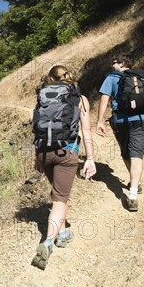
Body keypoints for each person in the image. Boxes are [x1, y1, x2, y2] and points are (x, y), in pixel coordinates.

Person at [31, 65, 97, 270]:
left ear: (50, 79)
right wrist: (90, 158)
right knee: (60, 200)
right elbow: (86, 131)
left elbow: (37, 129)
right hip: (66, 153)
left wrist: (37, 159)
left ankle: (61, 234)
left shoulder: (42, 98)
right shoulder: (80, 99)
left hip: (44, 152)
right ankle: (48, 242)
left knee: (59, 194)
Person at [96, 55, 144, 212]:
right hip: (142, 120)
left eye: (114, 62)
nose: (112, 65)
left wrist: (99, 121)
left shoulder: (111, 78)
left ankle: (134, 189)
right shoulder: (141, 76)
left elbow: (104, 99)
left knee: (127, 152)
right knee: (137, 154)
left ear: (122, 64)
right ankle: (134, 190)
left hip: (120, 121)